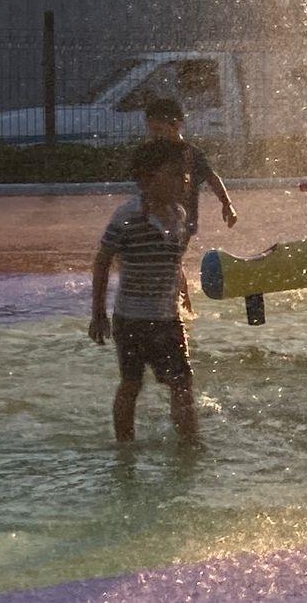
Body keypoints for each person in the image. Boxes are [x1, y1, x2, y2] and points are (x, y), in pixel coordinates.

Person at [88, 139, 199, 443]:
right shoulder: (126, 216)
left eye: (186, 173)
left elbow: (173, 260)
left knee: (182, 382)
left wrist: (184, 292)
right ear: (146, 177)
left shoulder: (178, 215)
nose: (185, 180)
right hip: (131, 319)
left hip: (168, 319)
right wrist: (98, 314)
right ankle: (125, 447)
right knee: (131, 384)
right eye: (176, 173)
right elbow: (102, 261)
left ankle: (189, 444)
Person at [144, 97, 238, 236]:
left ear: (177, 124)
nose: (154, 135)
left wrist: (227, 204)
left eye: (158, 129)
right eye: (151, 130)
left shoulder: (190, 154)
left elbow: (212, 178)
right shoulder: (150, 153)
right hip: (155, 218)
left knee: (173, 251)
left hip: (184, 219)